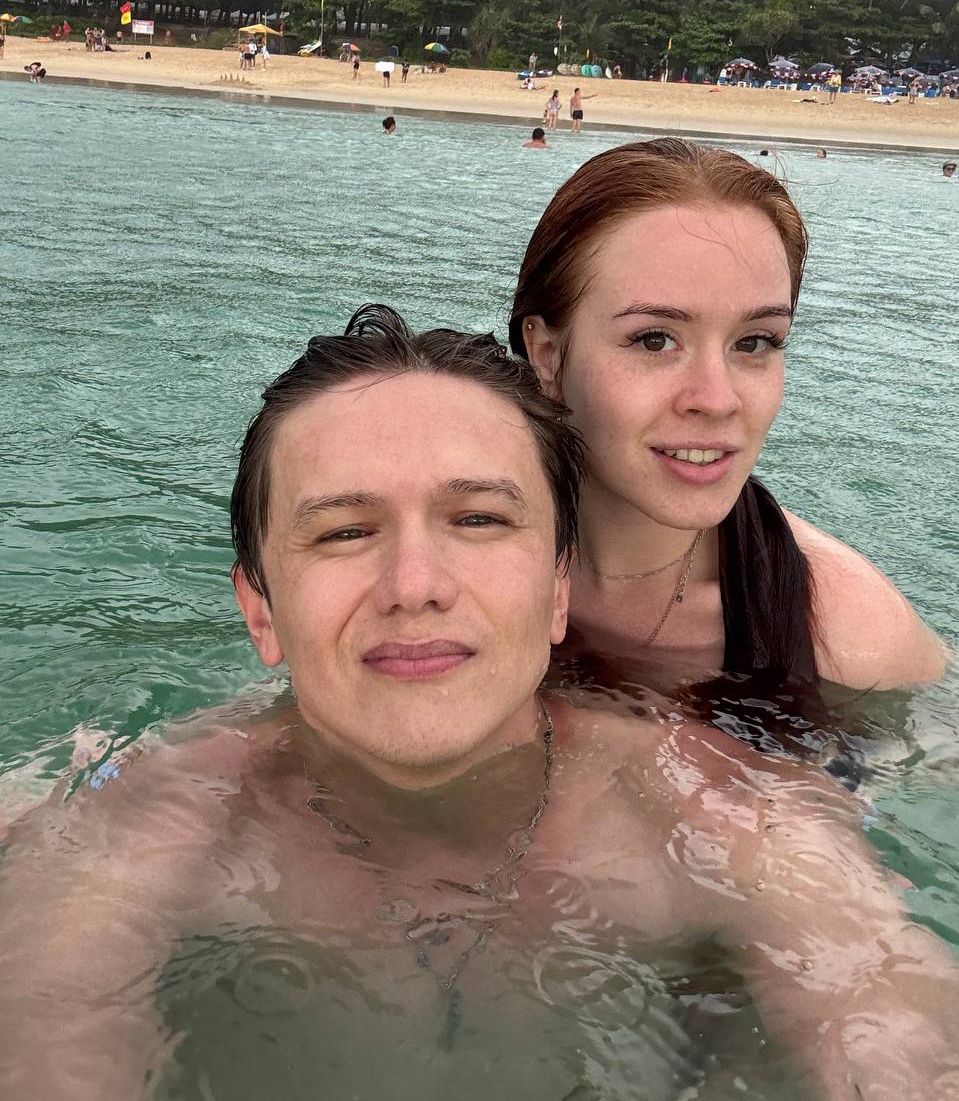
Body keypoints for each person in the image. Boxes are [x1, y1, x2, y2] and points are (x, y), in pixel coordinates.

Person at [2, 305, 957, 1101]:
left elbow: (896, 1034)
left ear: (556, 588)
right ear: (260, 608)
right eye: (344, 532)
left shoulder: (722, 813)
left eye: (478, 519)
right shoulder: (139, 823)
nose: (414, 585)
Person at [509, 138, 947, 698]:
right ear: (547, 354)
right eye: (655, 339)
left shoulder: (852, 638)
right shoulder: (441, 559)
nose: (717, 400)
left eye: (755, 342)